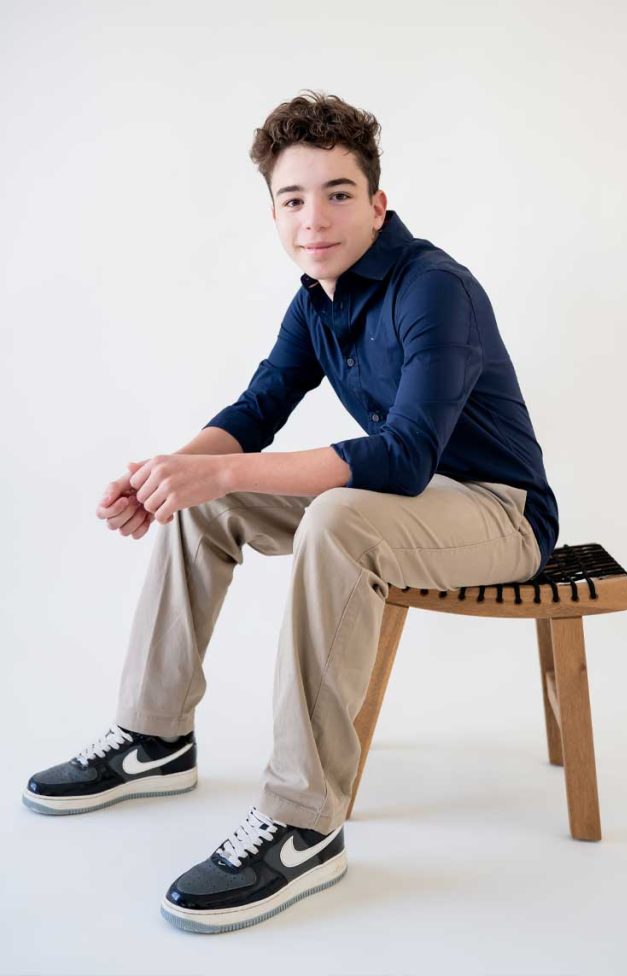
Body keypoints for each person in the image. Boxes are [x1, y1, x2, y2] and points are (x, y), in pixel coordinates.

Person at [22, 89, 559, 934]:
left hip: (501, 514)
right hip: (404, 505)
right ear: (273, 213)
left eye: (338, 193)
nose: (315, 218)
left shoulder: (434, 288)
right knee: (205, 502)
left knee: (335, 518)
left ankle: (304, 823)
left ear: (377, 203)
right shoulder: (317, 300)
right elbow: (257, 408)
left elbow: (405, 455)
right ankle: (154, 738)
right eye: (293, 199)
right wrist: (167, 475)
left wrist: (221, 471)